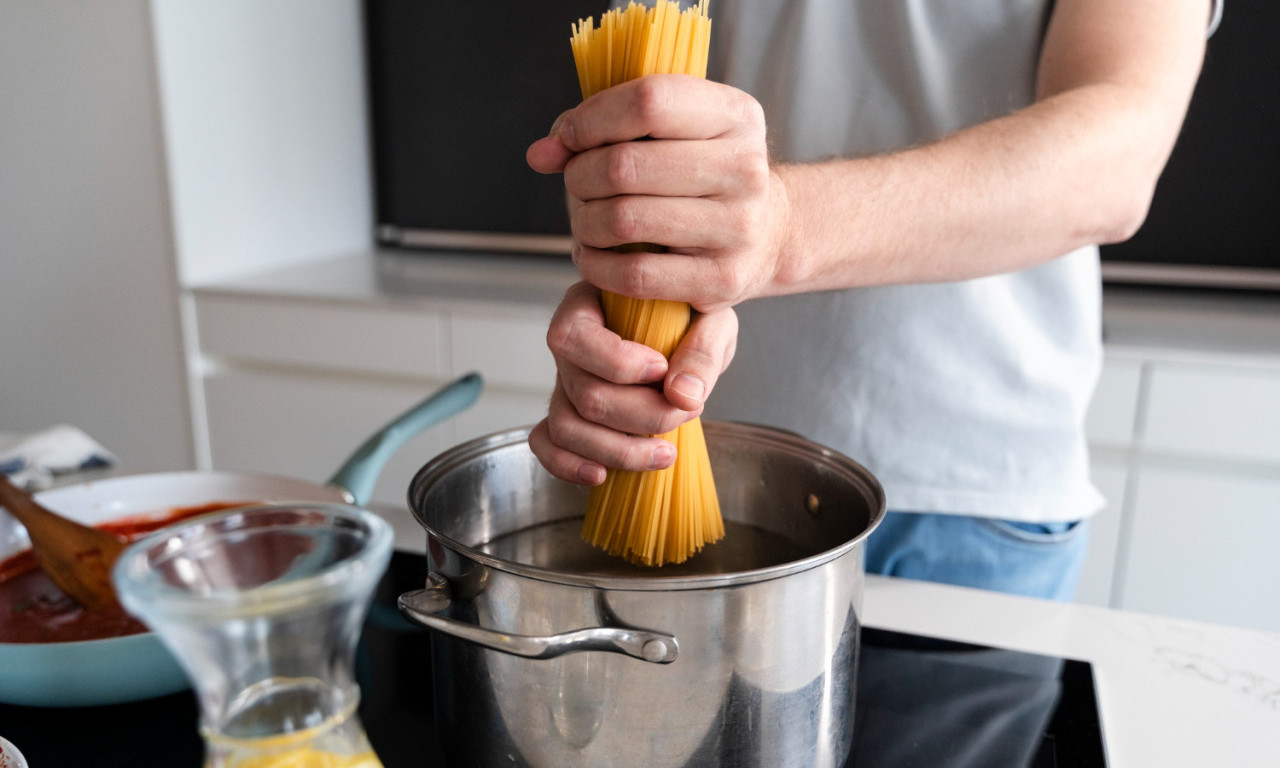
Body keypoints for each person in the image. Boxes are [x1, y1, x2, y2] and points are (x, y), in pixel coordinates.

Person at [524, 0, 1221, 601]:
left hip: (974, 497)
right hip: (712, 463)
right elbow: (648, 127)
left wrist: (783, 230)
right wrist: (630, 308)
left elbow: (1117, 158)